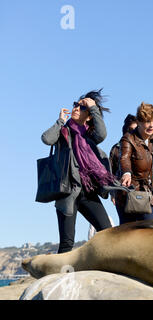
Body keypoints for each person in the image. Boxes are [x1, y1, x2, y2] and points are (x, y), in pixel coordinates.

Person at [41, 89, 114, 253]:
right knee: (67, 243)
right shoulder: (63, 131)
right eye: (75, 105)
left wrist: (93, 108)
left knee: (107, 231)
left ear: (88, 116)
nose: (76, 108)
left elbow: (102, 135)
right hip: (67, 193)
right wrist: (60, 121)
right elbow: (46, 139)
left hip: (87, 191)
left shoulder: (89, 136)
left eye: (82, 107)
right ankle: (59, 277)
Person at [118, 102, 153, 224]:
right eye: (147, 121)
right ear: (138, 122)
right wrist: (126, 173)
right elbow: (124, 158)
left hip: (149, 194)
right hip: (130, 194)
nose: (151, 125)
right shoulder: (128, 138)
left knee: (150, 229)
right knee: (128, 236)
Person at [107, 114, 137, 225]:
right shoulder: (116, 149)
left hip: (141, 193)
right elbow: (111, 172)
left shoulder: (143, 147)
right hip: (122, 195)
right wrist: (112, 193)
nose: (134, 133)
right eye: (131, 130)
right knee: (125, 228)